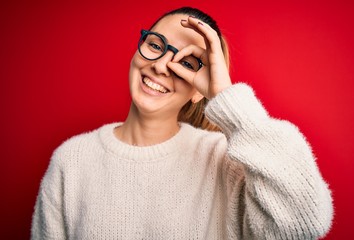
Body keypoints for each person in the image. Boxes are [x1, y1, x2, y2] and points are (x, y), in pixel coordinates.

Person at [31, 6, 333, 240]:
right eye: (155, 44)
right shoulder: (72, 161)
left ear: (197, 92)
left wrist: (224, 96)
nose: (162, 65)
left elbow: (303, 222)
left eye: (186, 64)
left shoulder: (226, 161)